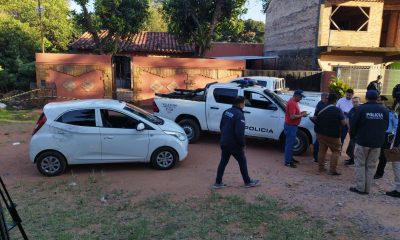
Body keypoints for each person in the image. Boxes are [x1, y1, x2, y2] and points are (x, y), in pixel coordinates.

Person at [213, 96, 259, 189]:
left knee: (223, 162)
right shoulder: (239, 115)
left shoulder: (227, 111)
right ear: (240, 104)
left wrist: (225, 137)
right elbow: (239, 132)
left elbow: (221, 126)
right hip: (234, 144)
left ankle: (218, 182)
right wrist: (242, 144)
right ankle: (247, 181)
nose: (244, 105)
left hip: (224, 141)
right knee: (242, 161)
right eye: (244, 103)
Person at [349, 90, 389, 195]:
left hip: (362, 142)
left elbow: (353, 125)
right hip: (377, 143)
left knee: (360, 165)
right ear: (377, 98)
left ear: (366, 97)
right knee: (371, 166)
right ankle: (367, 189)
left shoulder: (361, 109)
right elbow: (386, 126)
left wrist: (353, 137)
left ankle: (360, 188)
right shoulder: (384, 110)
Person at [315, 93, 347, 175]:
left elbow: (315, 118)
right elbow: (343, 123)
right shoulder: (337, 110)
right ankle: (332, 170)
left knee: (322, 150)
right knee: (336, 151)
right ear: (336, 100)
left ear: (328, 99)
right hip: (334, 135)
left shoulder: (321, 107)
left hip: (320, 133)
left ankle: (320, 168)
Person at [284, 90, 308, 168]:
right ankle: (288, 161)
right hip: (291, 126)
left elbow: (293, 115)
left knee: (291, 143)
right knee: (290, 144)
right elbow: (292, 117)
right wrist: (302, 115)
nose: (301, 99)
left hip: (292, 126)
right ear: (297, 95)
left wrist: (300, 113)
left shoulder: (293, 102)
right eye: (300, 97)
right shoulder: (292, 103)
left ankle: (290, 158)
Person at [374, 106, 398, 179]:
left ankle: (379, 172)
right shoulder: (379, 115)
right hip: (379, 134)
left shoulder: (393, 115)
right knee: (376, 152)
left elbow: (396, 126)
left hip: (388, 135)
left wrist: (394, 138)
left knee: (384, 154)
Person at [386, 107, 400, 198]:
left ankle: (398, 190)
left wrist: (395, 146)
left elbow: (398, 134)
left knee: (397, 166)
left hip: (398, 147)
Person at [344, 97, 361, 166]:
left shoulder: (362, 110)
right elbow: (348, 117)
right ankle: (352, 159)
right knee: (351, 146)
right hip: (352, 132)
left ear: (360, 102)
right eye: (353, 102)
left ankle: (354, 161)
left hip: (359, 133)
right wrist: (349, 127)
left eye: (356, 102)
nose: (355, 103)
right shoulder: (352, 109)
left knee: (354, 147)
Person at [312, 92, 329, 163]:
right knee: (320, 143)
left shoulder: (320, 104)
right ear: (323, 98)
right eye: (327, 98)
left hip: (319, 126)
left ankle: (317, 157)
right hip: (321, 127)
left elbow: (315, 116)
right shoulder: (322, 105)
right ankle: (318, 158)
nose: (328, 99)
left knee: (319, 142)